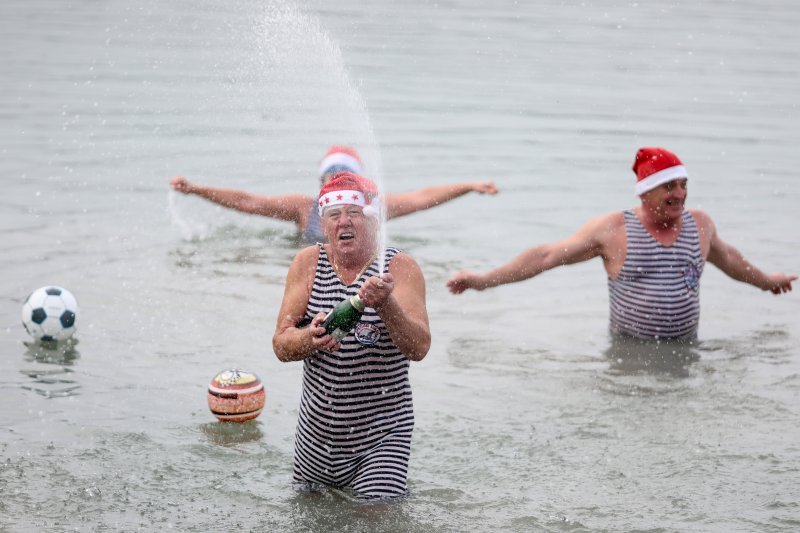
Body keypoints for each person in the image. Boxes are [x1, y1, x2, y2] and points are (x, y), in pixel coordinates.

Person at [447, 147, 796, 341]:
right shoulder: (614, 229)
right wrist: (483, 280)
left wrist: (767, 281)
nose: (680, 195)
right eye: (669, 187)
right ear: (646, 192)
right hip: (630, 355)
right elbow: (546, 256)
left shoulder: (699, 224)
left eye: (683, 185)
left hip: (686, 350)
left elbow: (729, 259)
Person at [272, 171, 430, 500]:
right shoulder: (307, 263)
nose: (344, 222)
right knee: (311, 519)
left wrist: (385, 304)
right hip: (316, 437)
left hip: (381, 437)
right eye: (334, 215)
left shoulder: (400, 268)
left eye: (354, 213)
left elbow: (419, 347)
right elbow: (281, 345)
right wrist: (309, 339)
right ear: (323, 223)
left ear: (373, 220)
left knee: (374, 519)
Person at [171, 145, 498, 243]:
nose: (338, 184)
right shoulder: (303, 208)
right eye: (331, 177)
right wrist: (197, 189)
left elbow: (421, 198)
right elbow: (249, 202)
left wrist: (468, 187)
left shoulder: (373, 207)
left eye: (346, 177)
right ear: (321, 181)